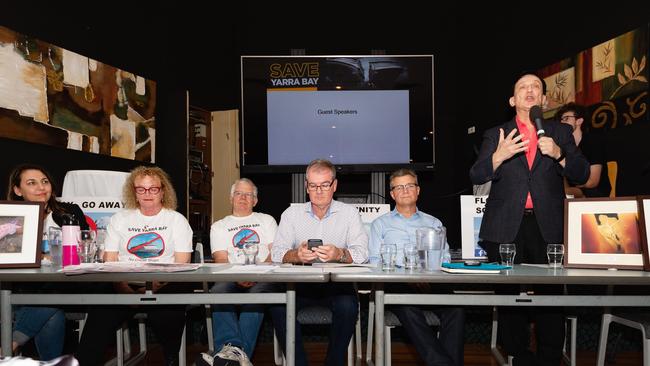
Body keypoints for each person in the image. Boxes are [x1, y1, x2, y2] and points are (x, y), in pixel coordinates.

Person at [470, 71, 590, 365]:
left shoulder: (560, 133)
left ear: (545, 99)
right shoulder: (497, 134)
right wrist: (499, 156)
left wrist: (560, 154)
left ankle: (549, 357)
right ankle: (518, 355)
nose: (530, 90)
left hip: (547, 224)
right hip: (505, 226)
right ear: (512, 100)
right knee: (510, 296)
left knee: (551, 295)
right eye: (523, 87)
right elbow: (476, 174)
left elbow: (583, 174)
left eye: (536, 86)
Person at [75, 166, 193, 366]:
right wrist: (121, 286)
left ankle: (171, 357)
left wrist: (156, 284)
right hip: (123, 283)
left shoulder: (176, 220)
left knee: (169, 311)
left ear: (163, 191)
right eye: (141, 189)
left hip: (165, 283)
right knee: (100, 312)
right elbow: (109, 259)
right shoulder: (119, 219)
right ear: (134, 192)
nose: (147, 194)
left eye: (153, 189)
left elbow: (182, 262)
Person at [270, 159, 368, 366]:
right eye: (313, 185)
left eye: (325, 185)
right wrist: (296, 255)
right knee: (278, 305)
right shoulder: (291, 214)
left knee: (348, 306)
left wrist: (339, 254)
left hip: (337, 285)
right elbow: (277, 253)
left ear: (334, 186)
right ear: (306, 187)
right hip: (299, 285)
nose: (319, 191)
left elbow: (362, 253)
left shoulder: (349, 214)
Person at [368, 168, 464, 366]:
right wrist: (408, 274)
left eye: (410, 186)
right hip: (398, 282)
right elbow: (375, 261)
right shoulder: (380, 224)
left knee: (457, 308)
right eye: (399, 187)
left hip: (432, 281)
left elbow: (445, 257)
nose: (405, 191)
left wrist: (427, 275)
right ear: (392, 194)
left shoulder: (434, 222)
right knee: (407, 306)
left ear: (418, 190)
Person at [4, 164, 90, 360]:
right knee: (52, 314)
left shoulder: (69, 211)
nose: (41, 187)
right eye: (31, 183)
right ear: (18, 190)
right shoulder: (11, 218)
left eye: (44, 181)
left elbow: (84, 247)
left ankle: (10, 346)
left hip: (66, 285)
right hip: (23, 288)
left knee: (51, 295)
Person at [209, 178, 278, 365]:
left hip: (263, 275)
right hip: (230, 276)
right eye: (239, 193)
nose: (243, 198)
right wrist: (238, 276)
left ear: (255, 201)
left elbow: (275, 254)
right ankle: (235, 352)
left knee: (257, 295)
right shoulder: (219, 226)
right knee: (217, 291)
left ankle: (230, 357)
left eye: (248, 194)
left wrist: (256, 275)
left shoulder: (266, 220)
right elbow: (221, 260)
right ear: (231, 198)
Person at [555, 102, 611, 198]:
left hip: (595, 194)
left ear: (579, 121)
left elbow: (593, 182)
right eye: (561, 120)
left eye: (566, 118)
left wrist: (570, 190)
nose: (562, 122)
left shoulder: (592, 142)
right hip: (573, 194)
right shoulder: (562, 147)